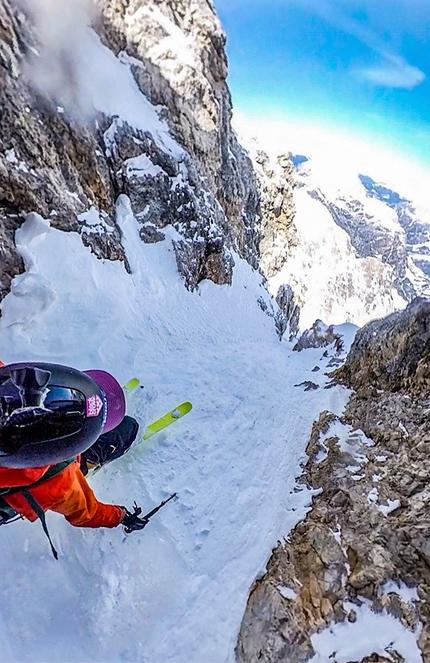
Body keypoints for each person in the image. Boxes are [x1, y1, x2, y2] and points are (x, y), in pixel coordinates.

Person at [0, 361, 149, 557]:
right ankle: (86, 458)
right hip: (38, 479)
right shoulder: (60, 484)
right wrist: (121, 516)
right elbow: (89, 513)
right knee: (127, 430)